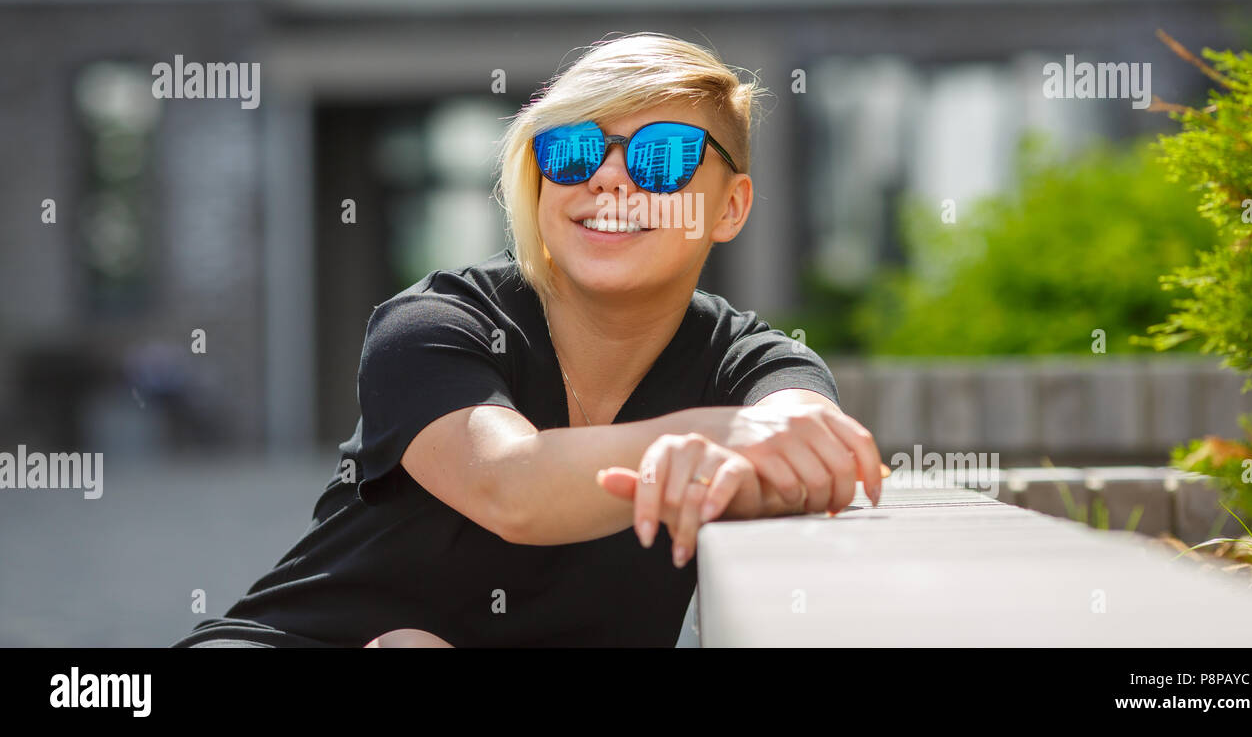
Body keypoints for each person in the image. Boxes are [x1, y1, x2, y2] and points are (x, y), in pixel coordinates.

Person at [171, 33, 883, 648]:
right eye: (572, 151)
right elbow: (511, 488)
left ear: (730, 206)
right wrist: (724, 436)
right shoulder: (433, 324)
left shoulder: (752, 364)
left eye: (662, 157)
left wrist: (774, 446)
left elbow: (802, 436)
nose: (607, 176)